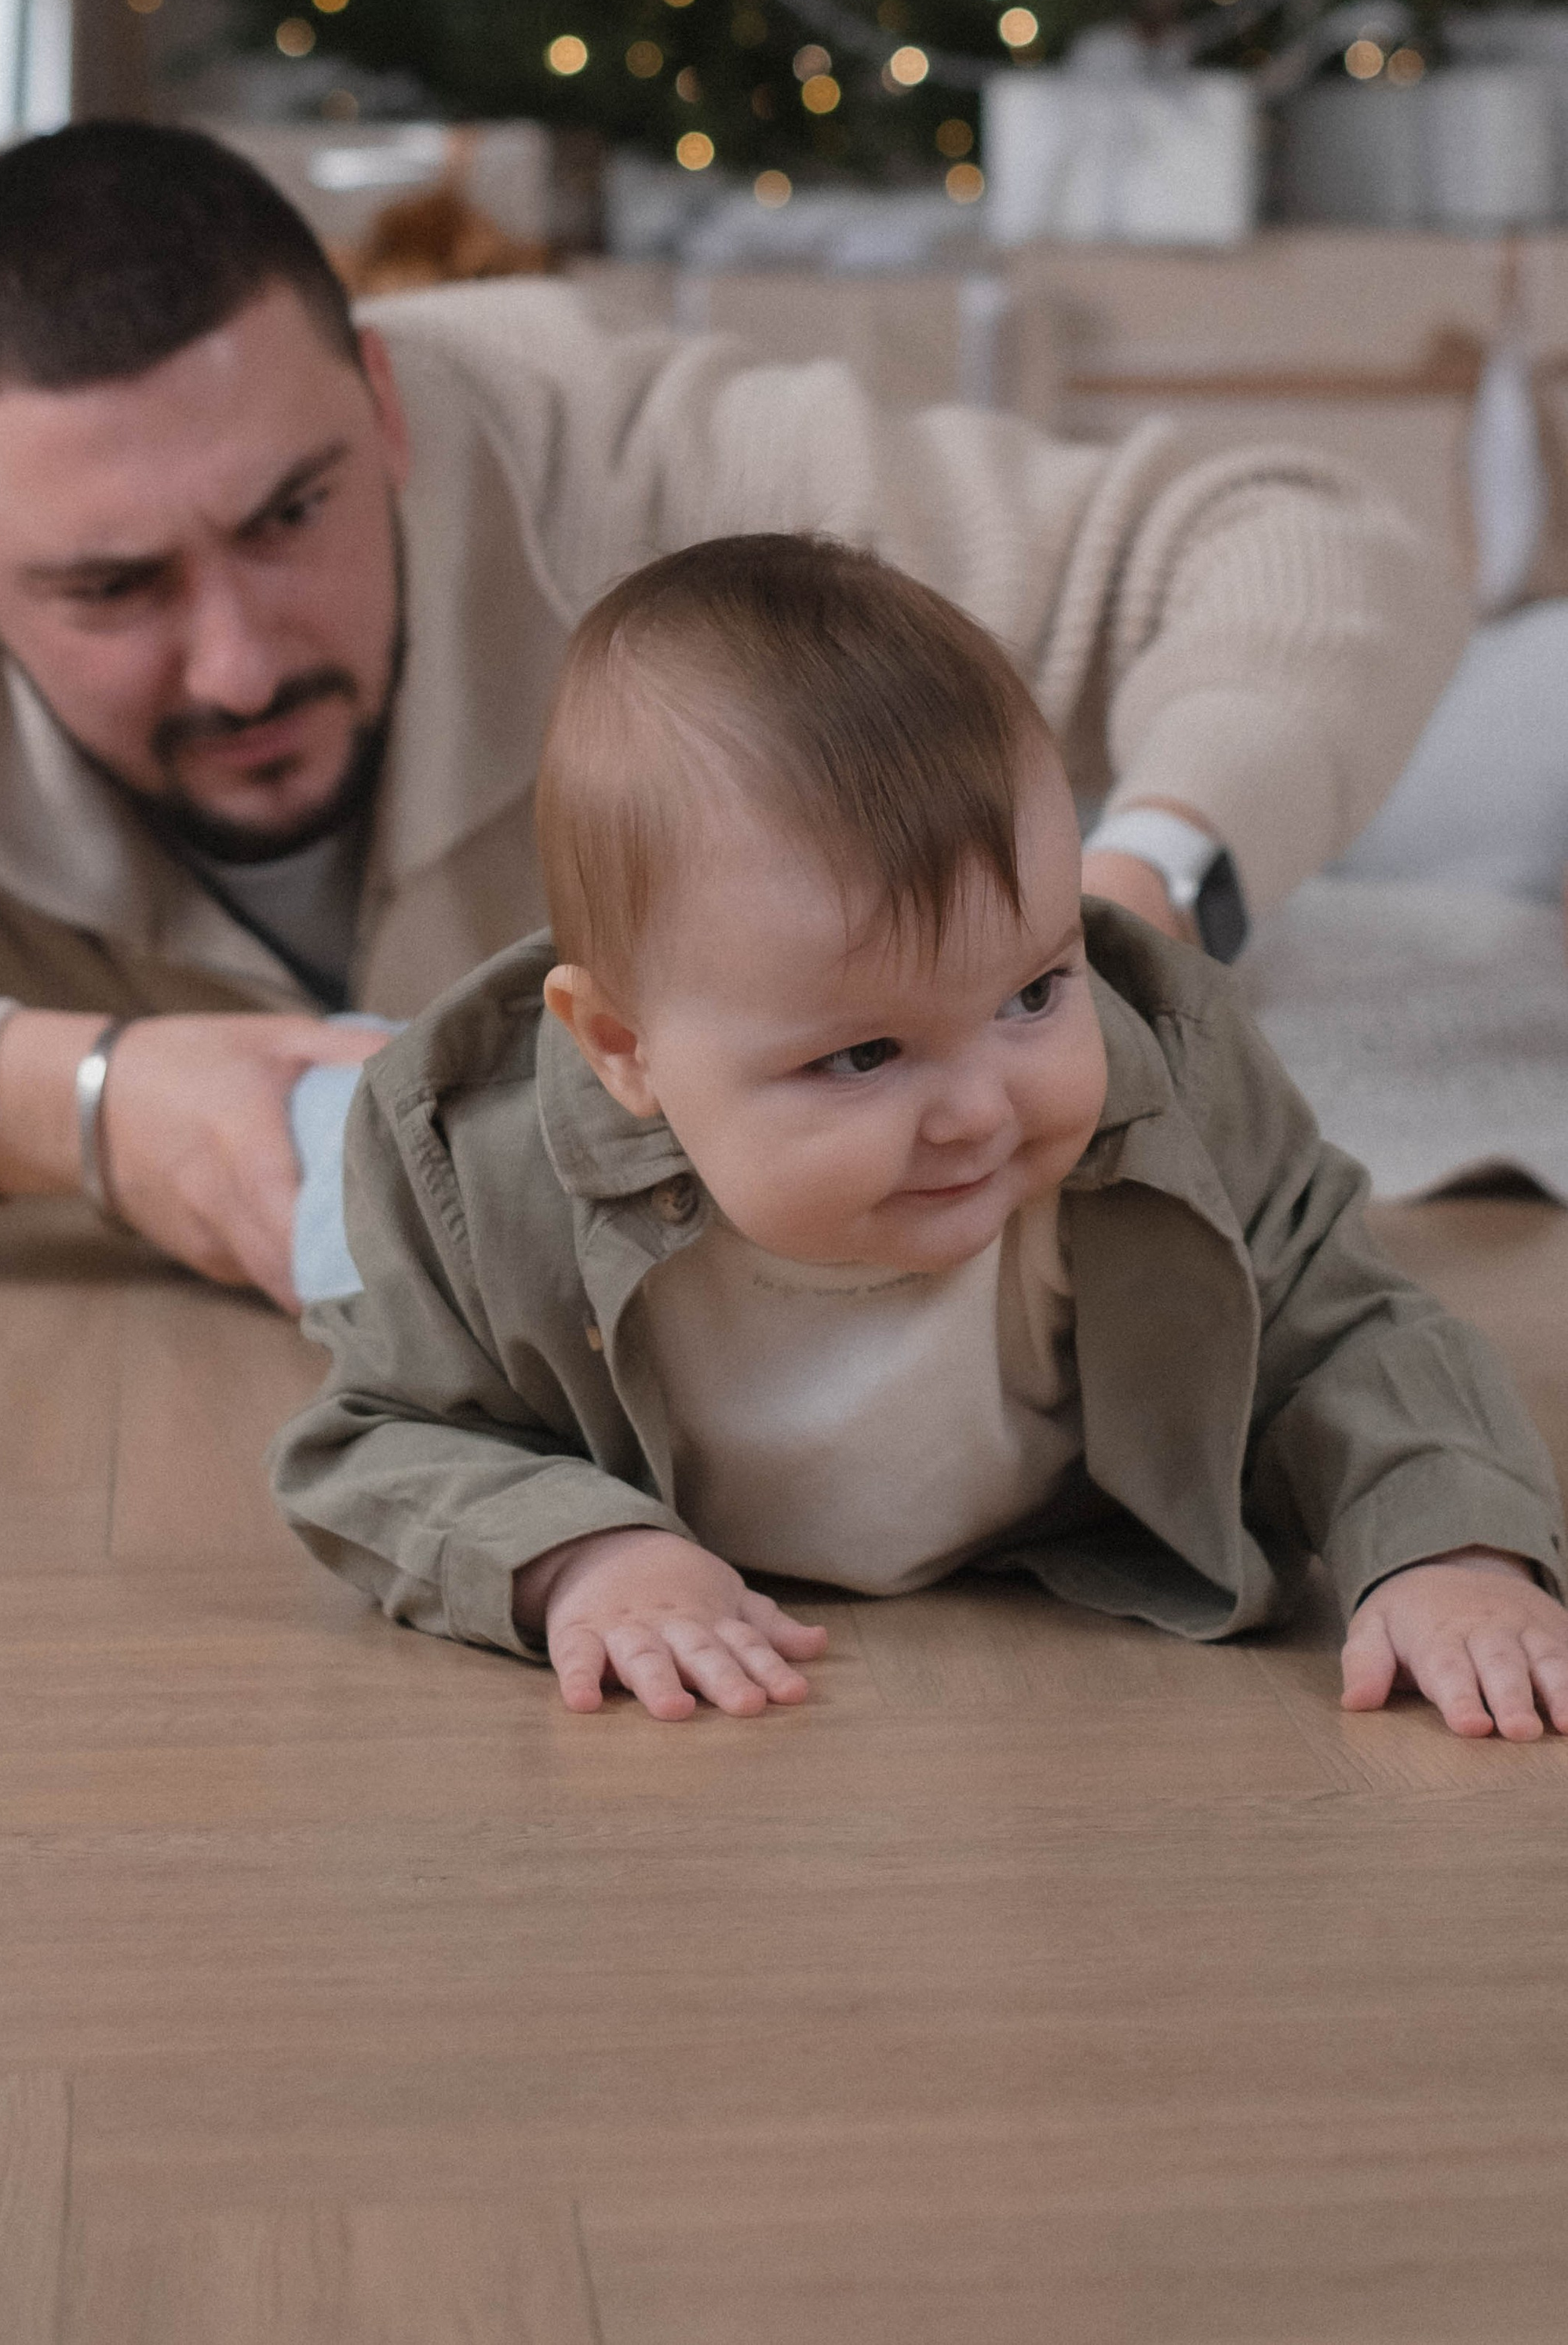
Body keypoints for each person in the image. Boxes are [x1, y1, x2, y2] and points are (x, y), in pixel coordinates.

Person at [0, 125, 1465, 1300]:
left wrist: (1142, 895)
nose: (235, 662)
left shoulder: (613, 448)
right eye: (110, 587)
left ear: (383, 412)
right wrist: (77, 1105)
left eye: (292, 515)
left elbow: (1299, 540)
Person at [272, 538, 1567, 1738]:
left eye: (1029, 993)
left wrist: (1445, 1552)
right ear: (625, 1049)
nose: (978, 1108)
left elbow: (1349, 1330)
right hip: (449, 1176)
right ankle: (307, 1081)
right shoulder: (474, 1183)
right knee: (322, 1189)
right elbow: (376, 1440)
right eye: (862, 1055)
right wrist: (582, 1555)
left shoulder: (1161, 1065)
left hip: (1052, 1528)